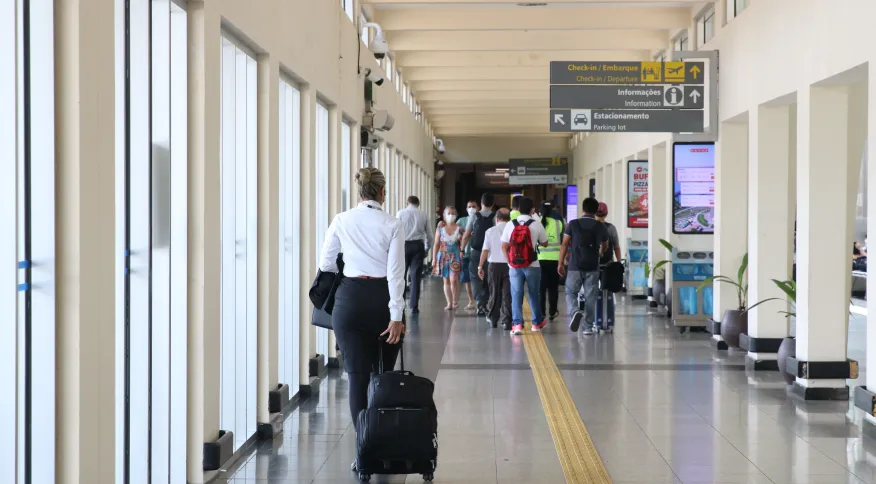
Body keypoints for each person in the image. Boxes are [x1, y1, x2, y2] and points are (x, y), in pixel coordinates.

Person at [318, 167, 404, 470]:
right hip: (382, 302)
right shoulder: (393, 224)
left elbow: (326, 262)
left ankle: (363, 451)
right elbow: (395, 275)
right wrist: (396, 316)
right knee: (382, 377)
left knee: (357, 377)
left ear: (360, 192)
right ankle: (384, 443)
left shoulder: (342, 220)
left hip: (350, 301)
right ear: (382, 192)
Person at [559, 197, 608, 335]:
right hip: (593, 266)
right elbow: (605, 245)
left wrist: (560, 263)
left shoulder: (573, 224)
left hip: (575, 265)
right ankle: (587, 327)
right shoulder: (601, 226)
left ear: (583, 209)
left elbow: (564, 244)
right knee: (590, 296)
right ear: (596, 210)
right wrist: (600, 252)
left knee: (570, 292)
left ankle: (575, 311)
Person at [502, 197, 549, 335]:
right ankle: (536, 323)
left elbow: (503, 246)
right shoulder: (536, 224)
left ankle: (517, 325)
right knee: (534, 294)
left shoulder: (510, 224)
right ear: (532, 209)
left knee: (516, 294)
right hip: (533, 265)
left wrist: (509, 262)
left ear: (517, 208)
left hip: (514, 266)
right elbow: (545, 243)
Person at [397, 195, 432, 313]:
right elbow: (430, 235)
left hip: (403, 246)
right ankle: (414, 306)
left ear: (407, 203)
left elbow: (396, 231)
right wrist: (427, 249)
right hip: (418, 246)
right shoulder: (423, 214)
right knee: (415, 276)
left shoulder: (400, 213)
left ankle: (400, 304)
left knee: (401, 276)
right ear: (418, 203)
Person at [462, 192, 496, 316]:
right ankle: (486, 301)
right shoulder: (495, 217)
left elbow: (466, 235)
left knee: (475, 278)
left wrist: (461, 250)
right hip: (490, 253)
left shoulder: (474, 217)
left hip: (476, 251)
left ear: (481, 204)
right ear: (492, 204)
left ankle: (480, 303)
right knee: (489, 277)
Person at [478, 208, 512, 330]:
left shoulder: (490, 231)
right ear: (509, 218)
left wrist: (480, 266)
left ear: (497, 219)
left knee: (494, 293)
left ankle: (493, 319)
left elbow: (485, 250)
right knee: (508, 294)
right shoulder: (512, 229)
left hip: (493, 265)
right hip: (510, 265)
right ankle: (508, 321)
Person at [595, 202, 621, 332]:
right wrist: (619, 261)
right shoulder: (611, 228)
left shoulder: (590, 227)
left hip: (592, 265)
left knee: (593, 292)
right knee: (608, 292)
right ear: (606, 214)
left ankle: (595, 320)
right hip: (608, 265)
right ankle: (609, 322)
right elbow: (616, 246)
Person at [432, 206, 464, 310]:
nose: (451, 215)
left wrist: (462, 251)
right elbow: (436, 244)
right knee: (446, 281)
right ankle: (449, 302)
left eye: (453, 213)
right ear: (444, 215)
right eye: (449, 213)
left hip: (455, 256)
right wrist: (434, 258)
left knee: (454, 280)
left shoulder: (459, 229)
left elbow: (463, 242)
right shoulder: (440, 229)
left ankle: (455, 300)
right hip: (443, 256)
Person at [537, 201, 564, 321]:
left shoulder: (536, 223)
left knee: (541, 288)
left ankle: (542, 312)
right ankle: (552, 312)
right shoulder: (559, 223)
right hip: (555, 259)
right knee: (553, 287)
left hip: (540, 259)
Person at [455, 200, 478, 309]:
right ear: (466, 208)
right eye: (469, 206)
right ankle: (471, 301)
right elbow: (455, 235)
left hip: (477, 253)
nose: (471, 209)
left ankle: (479, 300)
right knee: (467, 278)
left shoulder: (480, 219)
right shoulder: (461, 221)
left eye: (473, 206)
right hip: (465, 253)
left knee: (479, 277)